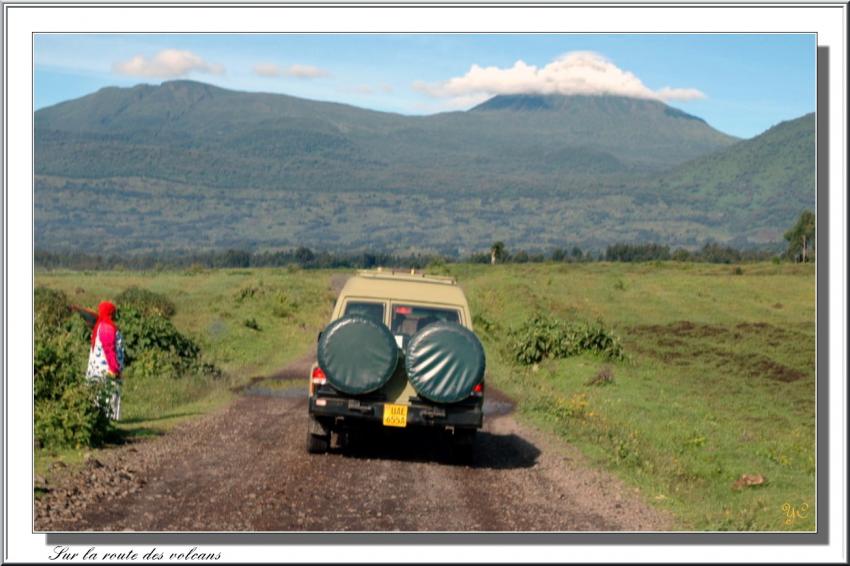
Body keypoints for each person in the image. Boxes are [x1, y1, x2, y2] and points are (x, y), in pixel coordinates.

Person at [71, 301, 125, 420]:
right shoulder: (107, 327)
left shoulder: (99, 325)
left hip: (98, 369)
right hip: (107, 369)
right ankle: (108, 421)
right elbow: (109, 349)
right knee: (107, 394)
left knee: (98, 393)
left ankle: (99, 419)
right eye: (113, 312)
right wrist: (114, 368)